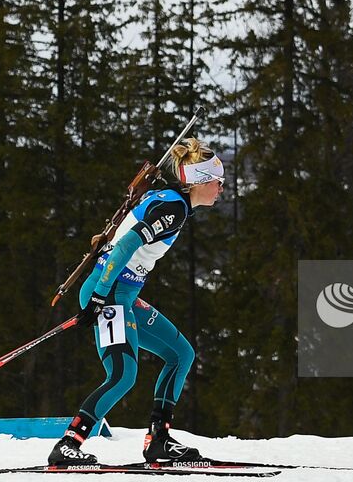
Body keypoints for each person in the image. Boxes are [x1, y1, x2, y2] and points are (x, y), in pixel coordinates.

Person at [48, 138, 224, 468]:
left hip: (122, 293)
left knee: (181, 354)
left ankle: (158, 441)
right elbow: (127, 243)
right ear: (200, 182)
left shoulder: (171, 201)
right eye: (219, 182)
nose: (222, 189)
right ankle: (68, 445)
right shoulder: (173, 209)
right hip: (109, 293)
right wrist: (100, 294)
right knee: (123, 375)